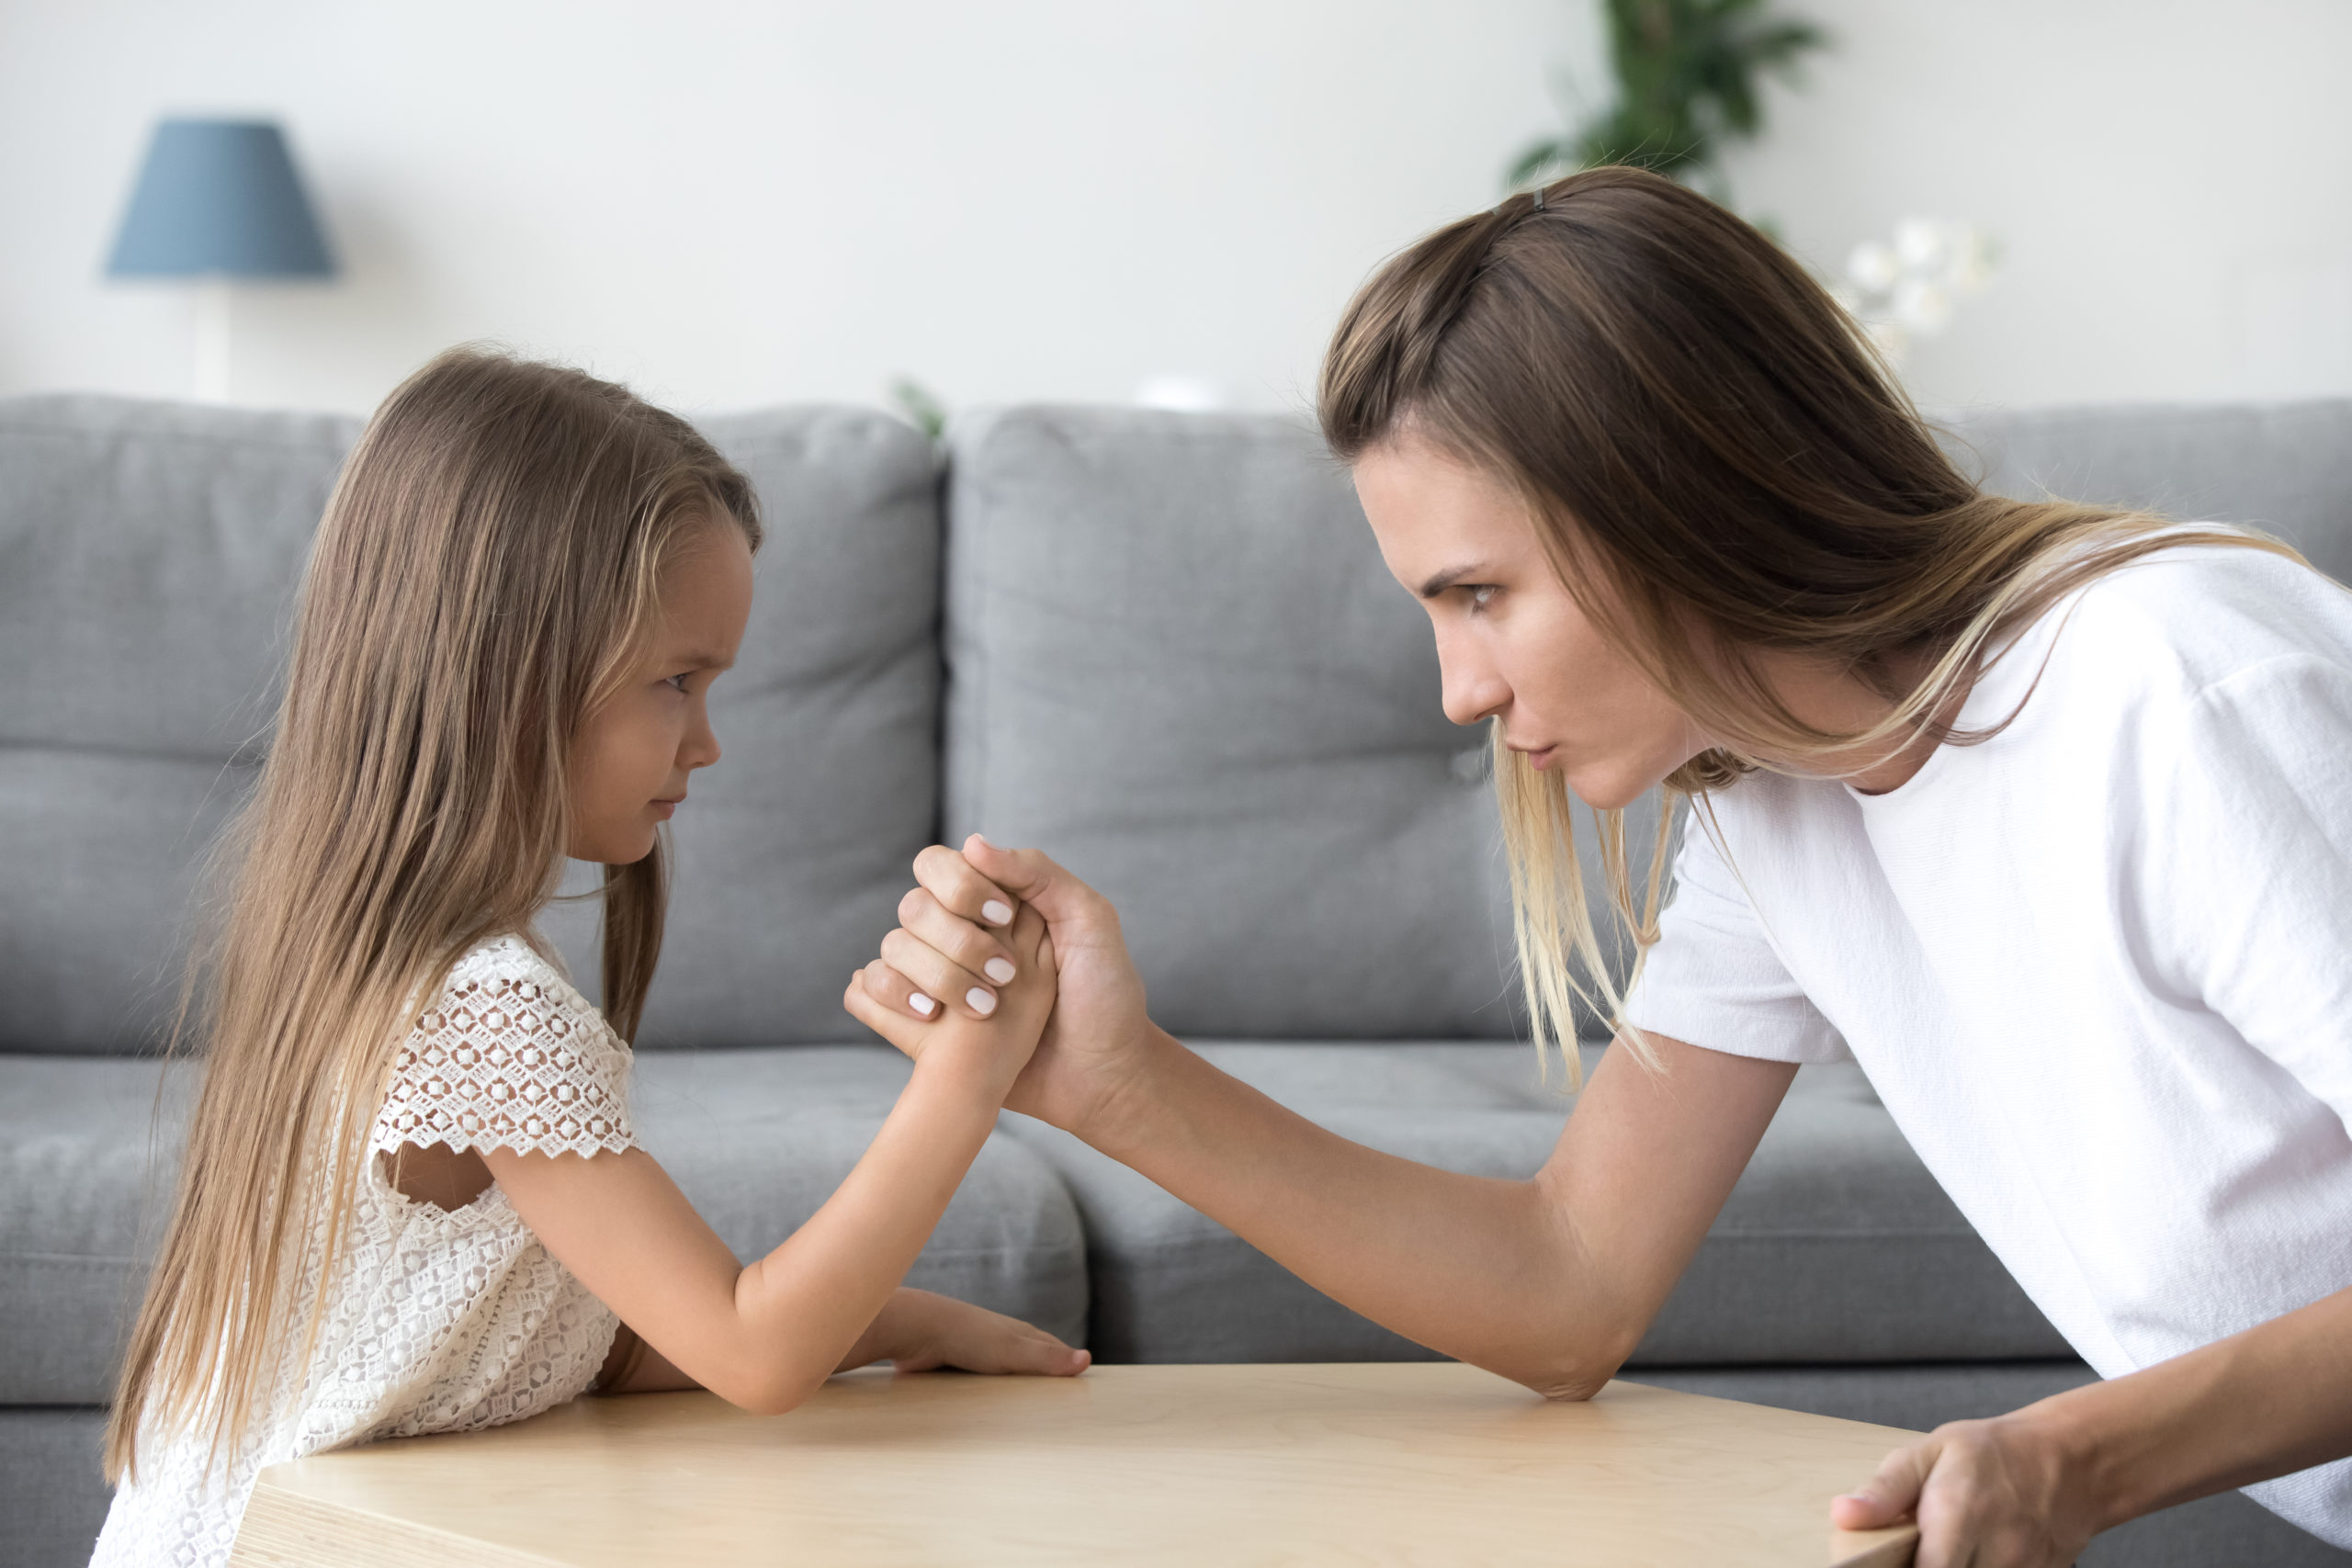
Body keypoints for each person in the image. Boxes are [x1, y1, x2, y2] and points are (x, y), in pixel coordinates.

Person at [845, 165, 2352, 1567]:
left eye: (1483, 593)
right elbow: (1566, 1291)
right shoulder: (1777, 808)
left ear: (1676, 495)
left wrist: (2085, 1459)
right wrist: (1120, 1083)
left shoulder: (2180, 688)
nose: (1460, 692)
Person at [96, 350, 1083, 1568]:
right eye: (676, 682)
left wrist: (893, 1319)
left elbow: (516, 1341)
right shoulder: (487, 1007)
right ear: (503, 672)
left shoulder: (355, 949)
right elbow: (750, 1349)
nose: (708, 743)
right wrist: (969, 1070)